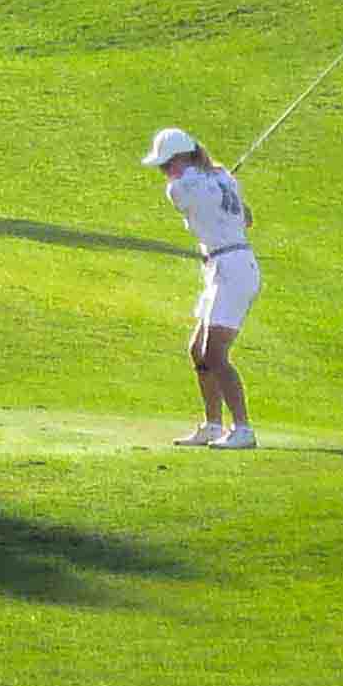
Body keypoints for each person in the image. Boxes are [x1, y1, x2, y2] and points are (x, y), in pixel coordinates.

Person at [142, 126, 260, 448]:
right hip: (222, 266)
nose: (165, 174)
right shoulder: (223, 178)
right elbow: (246, 217)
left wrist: (214, 184)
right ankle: (212, 425)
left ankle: (243, 429)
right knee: (198, 350)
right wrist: (222, 185)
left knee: (215, 353)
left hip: (233, 268)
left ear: (183, 157)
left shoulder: (180, 189)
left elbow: (188, 199)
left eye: (167, 166)